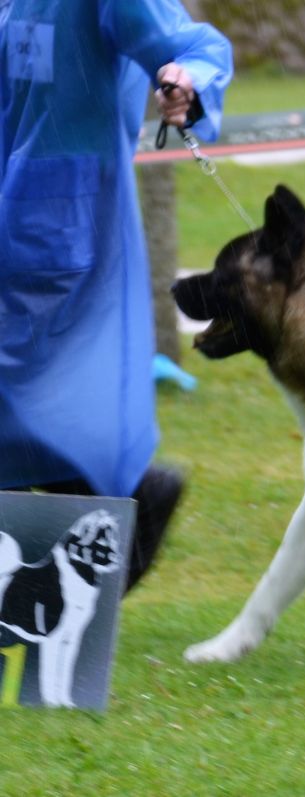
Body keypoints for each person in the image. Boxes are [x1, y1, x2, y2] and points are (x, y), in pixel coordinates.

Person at [0, 1, 233, 591]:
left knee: (36, 398)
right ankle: (118, 512)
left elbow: (193, 47)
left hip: (57, 226)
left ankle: (122, 506)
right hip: (20, 211)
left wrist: (186, 82)